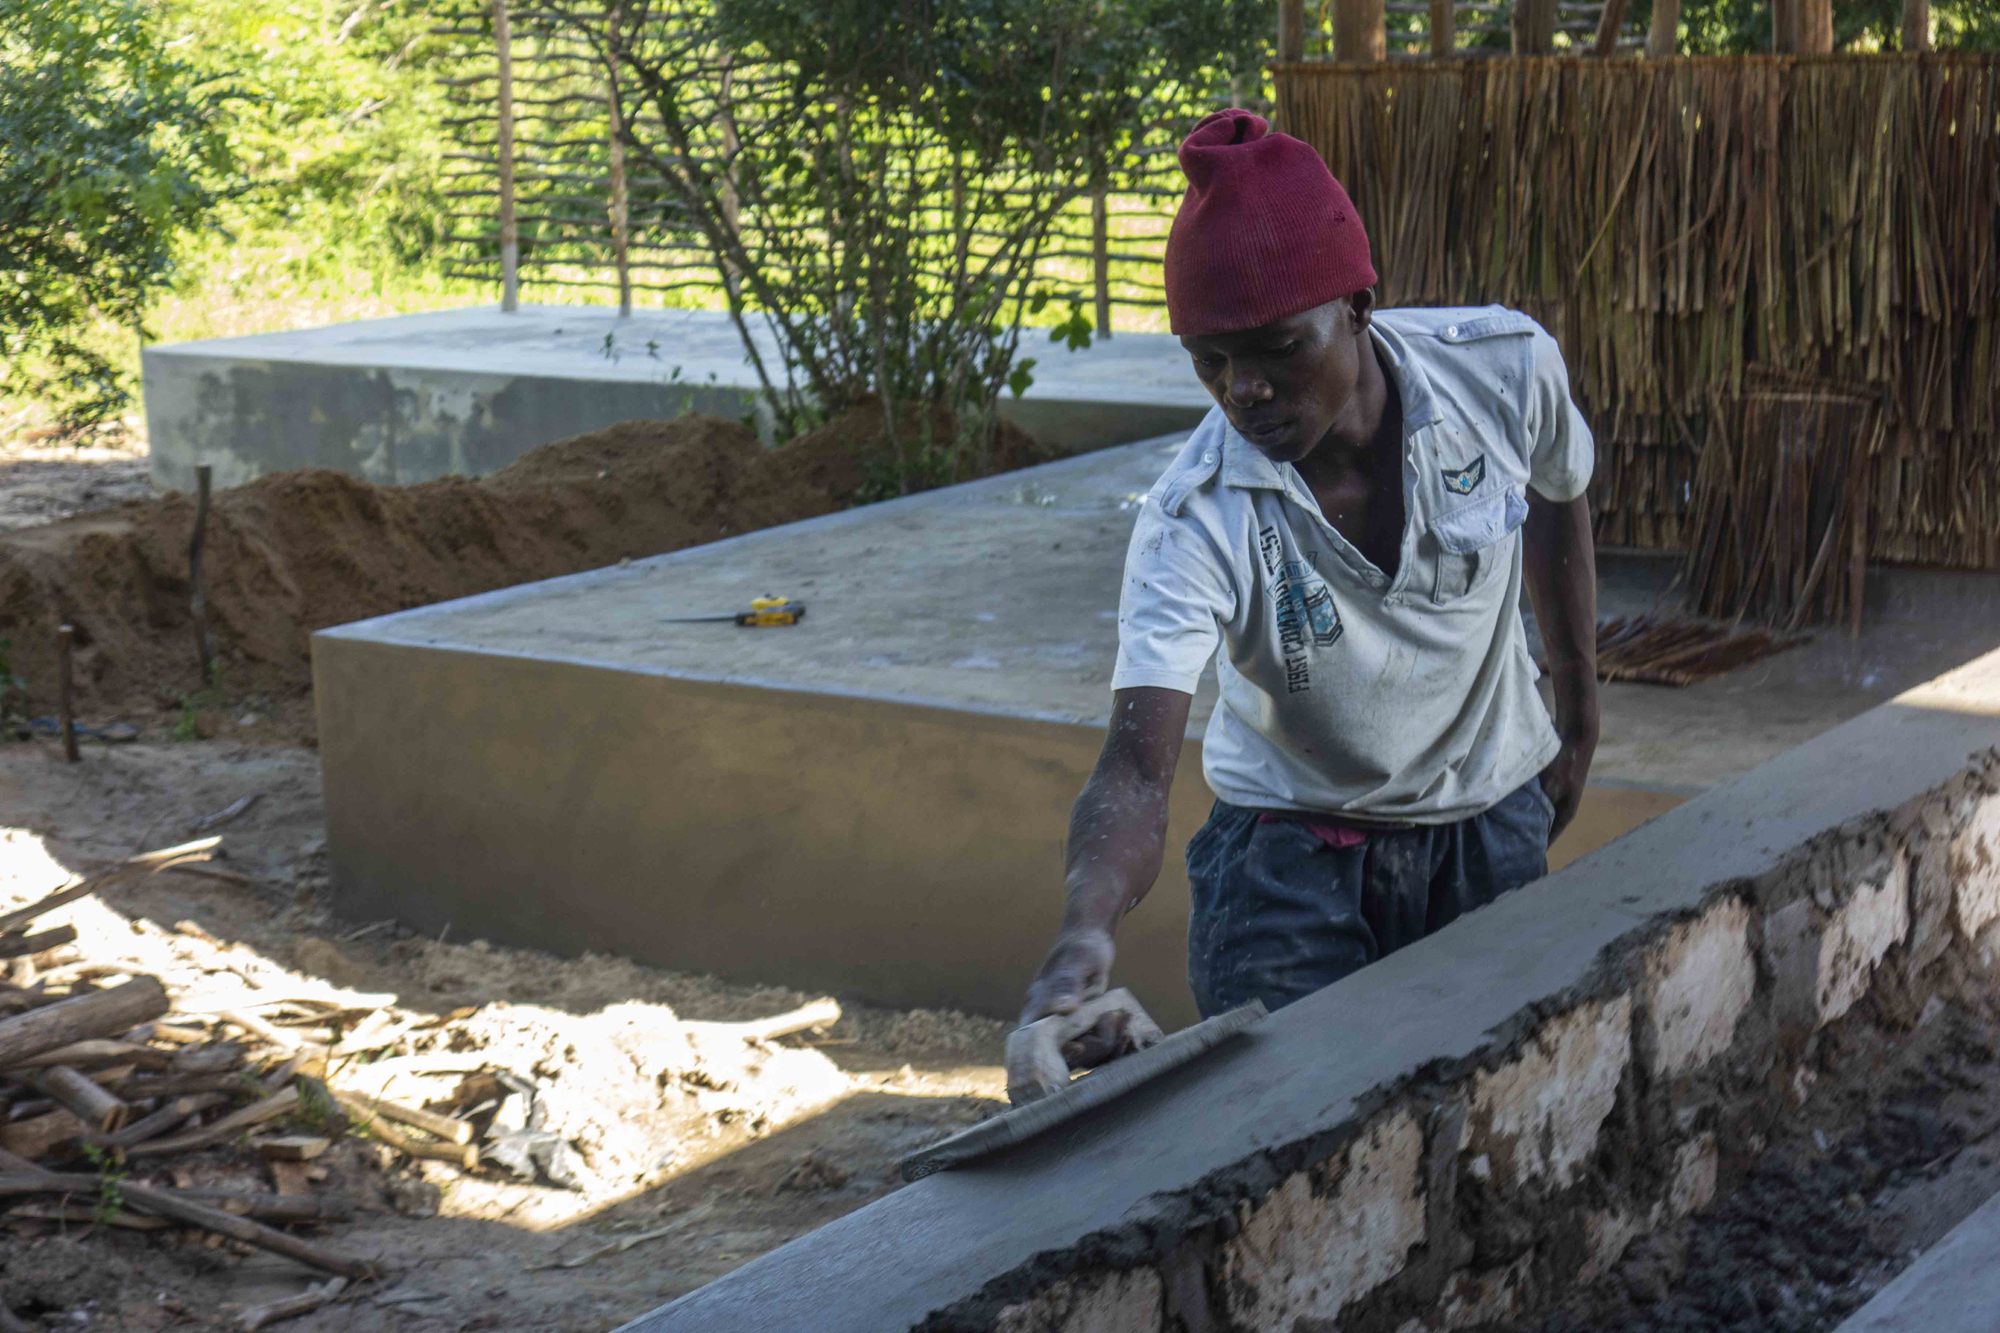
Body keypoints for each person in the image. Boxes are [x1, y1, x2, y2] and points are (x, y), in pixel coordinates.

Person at [1019, 108, 1600, 1031]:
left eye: (1278, 351)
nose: (1243, 391)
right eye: (1210, 363)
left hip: (1489, 823)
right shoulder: (1195, 517)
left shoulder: (1501, 373)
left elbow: (1559, 494)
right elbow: (1134, 768)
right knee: (1289, 1135)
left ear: (1357, 309)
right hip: (1286, 870)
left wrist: (1577, 702)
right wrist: (1085, 928)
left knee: (1490, 1101)